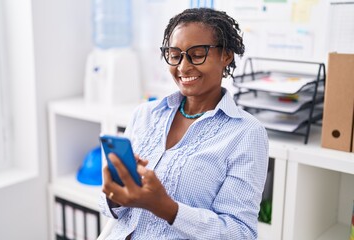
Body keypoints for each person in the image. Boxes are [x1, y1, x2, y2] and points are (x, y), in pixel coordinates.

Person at [99, 7, 268, 240]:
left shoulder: (246, 133)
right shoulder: (146, 114)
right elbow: (110, 209)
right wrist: (114, 194)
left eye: (197, 54)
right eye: (175, 54)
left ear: (226, 55)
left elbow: (240, 233)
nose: (183, 67)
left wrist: (166, 207)